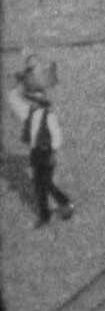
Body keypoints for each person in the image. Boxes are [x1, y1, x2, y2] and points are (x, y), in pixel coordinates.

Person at [7, 57, 74, 228]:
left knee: (42, 184)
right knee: (42, 184)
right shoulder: (30, 113)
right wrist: (22, 80)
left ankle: (54, 209)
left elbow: (57, 136)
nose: (32, 102)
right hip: (36, 152)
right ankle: (57, 208)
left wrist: (53, 152)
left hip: (46, 152)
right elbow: (12, 98)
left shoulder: (46, 115)